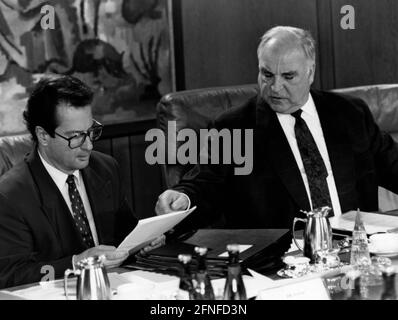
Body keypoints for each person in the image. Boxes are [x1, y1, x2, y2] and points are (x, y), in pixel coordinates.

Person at [155, 26, 398, 233]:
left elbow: (393, 164)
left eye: (288, 76)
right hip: (284, 259)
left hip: (357, 249)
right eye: (267, 74)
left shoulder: (349, 113)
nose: (275, 87)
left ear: (310, 72)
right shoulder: (234, 127)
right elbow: (205, 185)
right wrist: (183, 200)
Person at [0, 75, 164, 289]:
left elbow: (124, 234)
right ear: (43, 135)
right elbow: (11, 275)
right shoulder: (11, 195)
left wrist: (143, 243)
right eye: (76, 136)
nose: (88, 145)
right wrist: (77, 263)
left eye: (90, 131)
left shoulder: (106, 168)